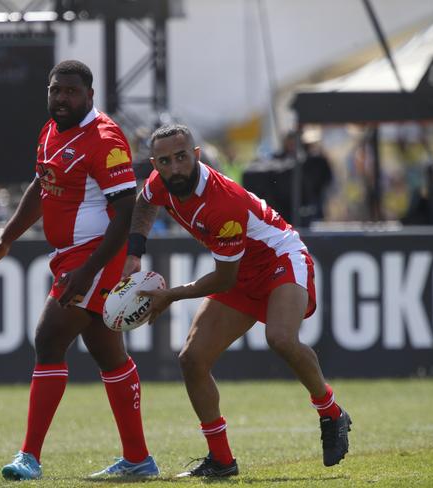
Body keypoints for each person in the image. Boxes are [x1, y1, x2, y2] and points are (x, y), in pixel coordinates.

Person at [123, 124, 351, 478]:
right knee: (192, 360)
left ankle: (331, 411)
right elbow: (144, 202)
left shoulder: (221, 202)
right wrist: (135, 252)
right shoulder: (160, 182)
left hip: (280, 258)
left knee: (280, 338)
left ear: (196, 155)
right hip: (241, 269)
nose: (175, 167)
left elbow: (225, 279)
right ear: (155, 163)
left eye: (182, 157)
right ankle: (222, 461)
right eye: (165, 161)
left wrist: (171, 295)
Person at [0, 60, 159, 481]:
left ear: (90, 96)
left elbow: (126, 211)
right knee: (108, 353)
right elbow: (42, 184)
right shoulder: (52, 129)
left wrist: (90, 271)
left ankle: (29, 457)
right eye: (56, 90)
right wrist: (7, 239)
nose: (62, 99)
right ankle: (138, 459)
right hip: (73, 255)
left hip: (95, 254)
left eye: (72, 92)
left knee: (48, 337)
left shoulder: (106, 139)